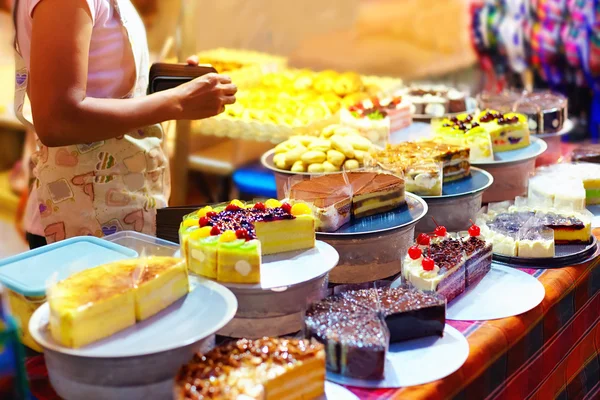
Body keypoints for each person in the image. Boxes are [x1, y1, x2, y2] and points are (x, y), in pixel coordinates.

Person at [12, 0, 237, 249]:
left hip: (118, 216)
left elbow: (104, 87)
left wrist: (167, 85)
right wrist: (176, 102)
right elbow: (57, 120)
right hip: (76, 226)